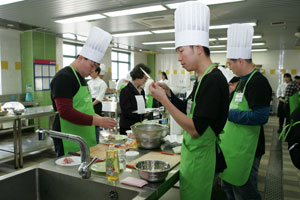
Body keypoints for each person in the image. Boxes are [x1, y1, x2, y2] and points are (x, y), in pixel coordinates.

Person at [149, 2, 229, 199]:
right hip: (193, 155)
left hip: (201, 158)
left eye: (181, 51)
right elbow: (191, 109)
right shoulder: (202, 78)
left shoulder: (213, 80)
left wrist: (164, 102)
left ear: (198, 48)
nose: (178, 58)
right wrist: (169, 94)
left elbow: (195, 127)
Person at [219, 24, 272, 200]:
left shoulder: (259, 82)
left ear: (240, 60)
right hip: (233, 146)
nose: (230, 68)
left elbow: (261, 116)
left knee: (245, 192)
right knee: (228, 186)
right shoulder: (242, 81)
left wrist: (227, 114)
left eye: (230, 63)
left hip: (249, 149)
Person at [50, 26, 116, 156]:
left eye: (95, 67)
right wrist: (98, 121)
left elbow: (84, 108)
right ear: (81, 58)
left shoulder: (81, 78)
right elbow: (66, 112)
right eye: (92, 66)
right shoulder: (64, 77)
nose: (92, 71)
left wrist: (100, 118)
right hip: (68, 136)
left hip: (82, 135)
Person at [119, 63, 151, 135]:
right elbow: (126, 112)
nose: (146, 81)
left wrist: (144, 112)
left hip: (138, 125)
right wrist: (140, 113)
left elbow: (141, 107)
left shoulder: (141, 91)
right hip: (127, 127)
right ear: (138, 76)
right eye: (145, 78)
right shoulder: (126, 91)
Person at [87, 66, 108, 144]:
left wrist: (91, 105)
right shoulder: (88, 82)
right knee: (89, 123)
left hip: (96, 104)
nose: (90, 73)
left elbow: (100, 97)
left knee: (95, 124)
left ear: (97, 72)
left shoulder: (102, 83)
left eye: (92, 72)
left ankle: (96, 142)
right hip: (89, 102)